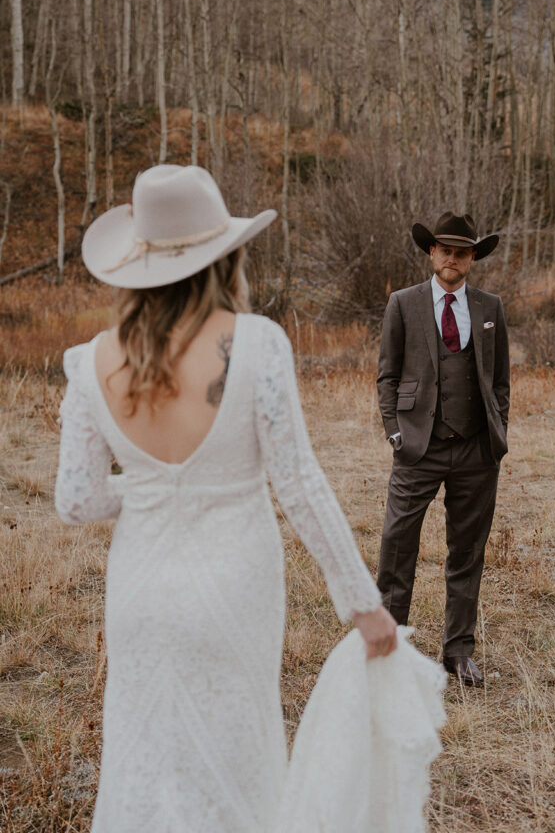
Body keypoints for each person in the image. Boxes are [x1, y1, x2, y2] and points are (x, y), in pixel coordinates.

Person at [55, 164, 397, 833]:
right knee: (238, 761)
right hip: (234, 588)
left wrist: (148, 488)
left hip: (139, 594)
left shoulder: (89, 361)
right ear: (226, 257)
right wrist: (364, 605)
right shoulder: (259, 347)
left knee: (144, 761)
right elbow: (298, 484)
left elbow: (76, 501)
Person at [376, 211, 510, 687]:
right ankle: (389, 646)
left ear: (473, 257)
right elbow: (387, 376)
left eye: (462, 252)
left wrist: (497, 431)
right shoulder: (403, 303)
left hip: (477, 451)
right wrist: (395, 430)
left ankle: (458, 652)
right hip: (418, 446)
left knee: (467, 551)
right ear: (431, 252)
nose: (452, 259)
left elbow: (500, 381)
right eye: (444, 250)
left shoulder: (490, 306)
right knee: (397, 544)